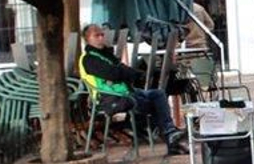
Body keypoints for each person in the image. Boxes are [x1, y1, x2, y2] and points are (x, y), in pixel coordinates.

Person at [77, 24, 188, 155]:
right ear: (87, 39)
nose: (101, 37)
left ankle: (169, 134)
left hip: (126, 91)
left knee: (158, 94)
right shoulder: (89, 59)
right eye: (97, 35)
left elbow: (122, 70)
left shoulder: (106, 54)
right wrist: (126, 73)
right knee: (154, 105)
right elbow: (114, 73)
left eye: (102, 34)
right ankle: (169, 134)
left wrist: (132, 74)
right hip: (109, 97)